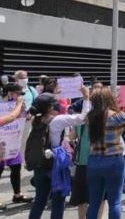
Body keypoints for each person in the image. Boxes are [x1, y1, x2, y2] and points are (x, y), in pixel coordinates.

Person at [28, 87, 91, 219]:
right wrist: (86, 98)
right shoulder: (57, 120)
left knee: (40, 199)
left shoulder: (35, 120)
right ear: (50, 107)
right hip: (56, 164)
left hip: (40, 164)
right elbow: (82, 118)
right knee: (58, 200)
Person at [86, 87, 125, 219]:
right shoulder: (119, 117)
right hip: (114, 160)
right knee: (115, 201)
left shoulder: (90, 117)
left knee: (94, 202)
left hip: (94, 160)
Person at [0, 83, 33, 210]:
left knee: (16, 167)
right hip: (0, 141)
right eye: (18, 94)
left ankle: (17, 194)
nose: (20, 97)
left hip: (13, 140)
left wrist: (27, 116)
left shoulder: (20, 105)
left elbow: (25, 118)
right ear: (9, 93)